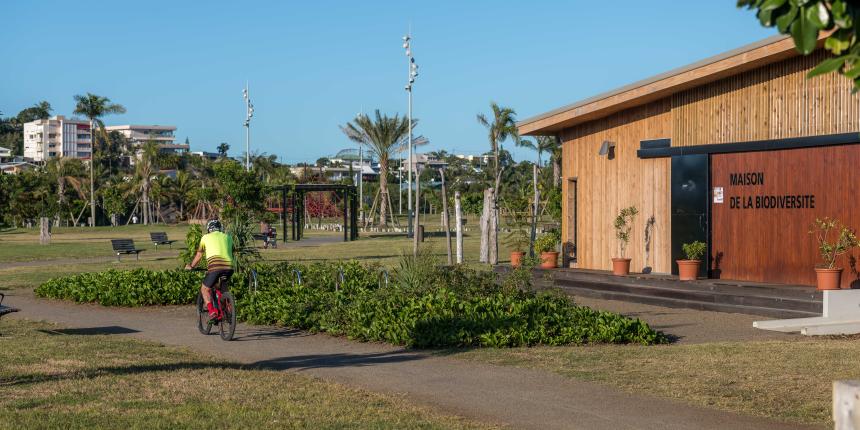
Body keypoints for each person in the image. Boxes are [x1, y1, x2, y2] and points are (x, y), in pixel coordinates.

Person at [185, 220, 234, 320]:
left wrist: (191, 266)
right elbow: (232, 251)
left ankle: (212, 311)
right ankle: (228, 308)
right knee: (223, 288)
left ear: (209, 229)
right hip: (229, 267)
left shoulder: (205, 237)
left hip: (215, 267)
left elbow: (199, 255)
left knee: (205, 289)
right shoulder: (228, 237)